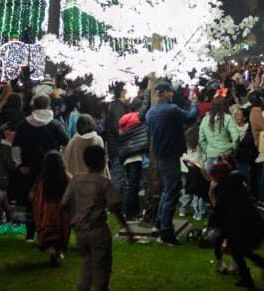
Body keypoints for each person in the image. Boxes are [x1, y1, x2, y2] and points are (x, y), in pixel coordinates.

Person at [63, 144, 135, 291]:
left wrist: (74, 219)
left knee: (88, 265)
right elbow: (115, 207)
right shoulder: (104, 183)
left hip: (81, 232)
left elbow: (64, 203)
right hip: (99, 233)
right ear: (102, 162)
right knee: (102, 269)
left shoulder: (76, 180)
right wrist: (127, 229)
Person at [141, 79, 199, 245]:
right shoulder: (171, 109)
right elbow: (190, 118)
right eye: (169, 92)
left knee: (168, 189)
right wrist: (194, 103)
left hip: (160, 155)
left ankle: (160, 223)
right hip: (170, 155)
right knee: (172, 191)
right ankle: (166, 231)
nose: (172, 94)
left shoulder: (150, 113)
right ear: (163, 93)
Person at [207, 160, 264, 289]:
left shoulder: (225, 186)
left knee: (237, 249)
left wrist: (211, 225)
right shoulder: (235, 183)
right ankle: (254, 272)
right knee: (238, 249)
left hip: (247, 225)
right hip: (251, 223)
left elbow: (220, 209)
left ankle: (260, 267)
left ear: (218, 175)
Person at [14, 93, 68, 241]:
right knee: (52, 200)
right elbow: (66, 141)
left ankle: (30, 233)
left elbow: (16, 147)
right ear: (48, 106)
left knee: (31, 199)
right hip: (52, 168)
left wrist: (20, 165)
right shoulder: (55, 124)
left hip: (29, 168)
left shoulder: (24, 124)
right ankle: (51, 230)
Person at [29, 150, 70, 266]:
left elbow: (32, 195)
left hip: (46, 211)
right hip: (61, 212)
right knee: (61, 234)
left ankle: (52, 250)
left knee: (49, 234)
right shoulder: (65, 177)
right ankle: (58, 252)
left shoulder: (41, 180)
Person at [115, 111, 148, 221]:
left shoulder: (123, 127)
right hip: (135, 158)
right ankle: (130, 213)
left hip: (127, 159)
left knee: (132, 185)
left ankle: (134, 211)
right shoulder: (135, 125)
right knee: (133, 186)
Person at [63, 114, 107, 178]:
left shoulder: (72, 142)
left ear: (77, 126)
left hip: (77, 182)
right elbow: (103, 163)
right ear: (92, 124)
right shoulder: (98, 140)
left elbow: (67, 163)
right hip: (95, 181)